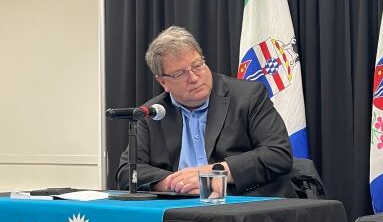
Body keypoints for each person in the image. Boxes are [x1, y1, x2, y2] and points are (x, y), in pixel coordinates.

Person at [116, 26, 296, 197]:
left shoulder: (248, 97)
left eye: (197, 65)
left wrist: (213, 174)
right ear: (163, 82)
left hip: (239, 205)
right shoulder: (151, 114)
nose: (194, 78)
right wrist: (176, 183)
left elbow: (277, 154)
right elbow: (127, 172)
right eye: (180, 74)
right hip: (180, 210)